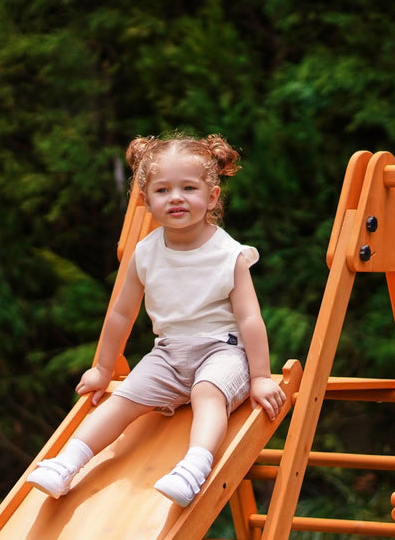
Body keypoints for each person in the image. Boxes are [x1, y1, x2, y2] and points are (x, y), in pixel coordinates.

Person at [27, 133, 286, 507]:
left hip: (223, 353)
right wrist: (102, 368)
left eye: (188, 188)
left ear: (211, 197)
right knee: (122, 400)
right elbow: (121, 312)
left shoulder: (228, 253)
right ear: (147, 202)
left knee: (207, 393)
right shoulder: (145, 253)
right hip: (168, 354)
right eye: (163, 190)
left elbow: (249, 319)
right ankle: (67, 464)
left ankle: (194, 467)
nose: (176, 197)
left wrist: (261, 376)